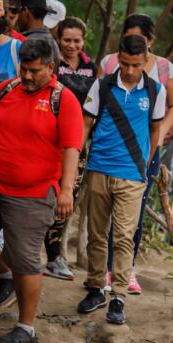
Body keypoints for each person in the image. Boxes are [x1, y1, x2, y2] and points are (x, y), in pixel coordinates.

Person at [0, 37, 83, 343]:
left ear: (51, 68)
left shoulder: (63, 100)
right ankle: (4, 273)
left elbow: (71, 149)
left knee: (27, 260)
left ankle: (26, 328)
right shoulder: (6, 89)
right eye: (23, 69)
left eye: (34, 71)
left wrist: (66, 190)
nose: (27, 77)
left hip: (34, 193)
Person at [77, 35, 167, 325]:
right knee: (97, 233)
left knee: (124, 236)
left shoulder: (156, 90)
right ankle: (94, 288)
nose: (129, 71)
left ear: (146, 61)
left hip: (132, 175)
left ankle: (118, 295)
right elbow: (86, 122)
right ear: (118, 58)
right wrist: (78, 156)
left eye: (136, 65)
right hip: (99, 168)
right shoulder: (102, 85)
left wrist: (145, 161)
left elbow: (156, 130)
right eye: (125, 64)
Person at [100, 13, 173, 291]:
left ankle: (124, 269)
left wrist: (159, 135)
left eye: (141, 40)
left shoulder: (164, 68)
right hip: (109, 148)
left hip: (145, 150)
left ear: (150, 41)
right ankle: (101, 269)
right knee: (103, 211)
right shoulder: (110, 63)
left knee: (133, 212)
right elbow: (99, 100)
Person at [42, 16, 99, 280]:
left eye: (76, 40)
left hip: (77, 145)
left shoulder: (92, 69)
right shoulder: (51, 65)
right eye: (66, 40)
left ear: (84, 41)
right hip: (45, 139)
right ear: (58, 39)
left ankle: (54, 258)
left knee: (67, 200)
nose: (71, 45)